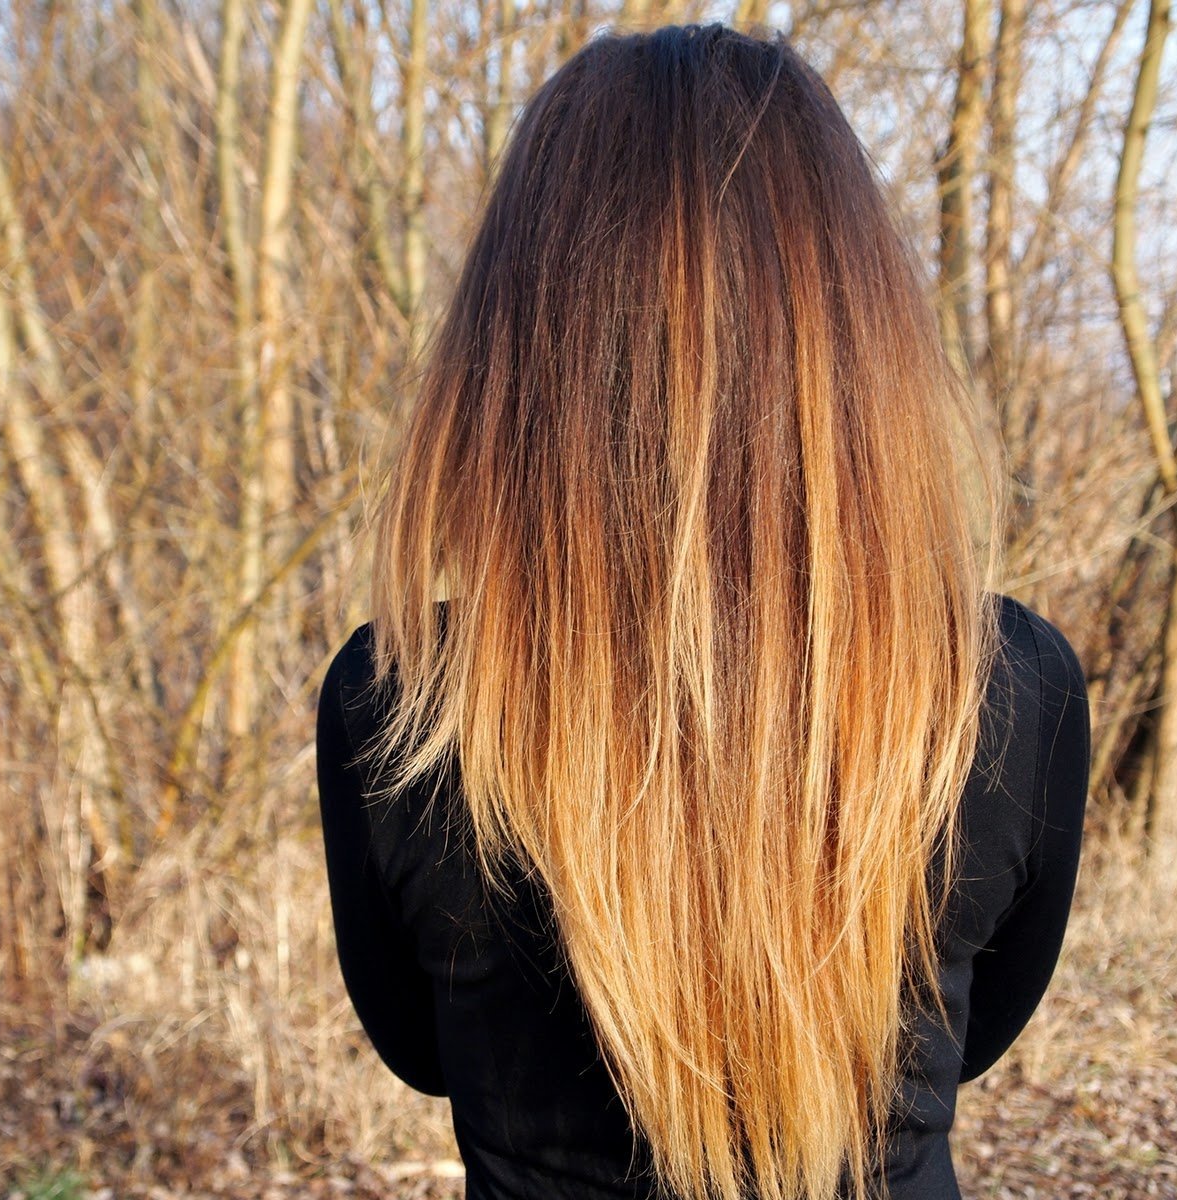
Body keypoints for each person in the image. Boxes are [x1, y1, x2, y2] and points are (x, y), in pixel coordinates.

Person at [315, 22, 1090, 1200]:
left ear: (515, 349)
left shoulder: (402, 702)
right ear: (857, 333)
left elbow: (420, 1051)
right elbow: (969, 1035)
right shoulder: (1002, 687)